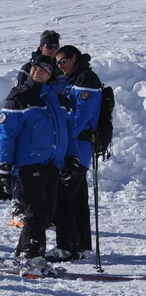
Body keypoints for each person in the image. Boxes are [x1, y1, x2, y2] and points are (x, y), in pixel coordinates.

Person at [0, 55, 79, 265]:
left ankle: (23, 253)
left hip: (52, 162)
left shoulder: (58, 100)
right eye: (34, 68)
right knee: (36, 210)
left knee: (47, 210)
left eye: (43, 69)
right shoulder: (20, 97)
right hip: (29, 161)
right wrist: (3, 166)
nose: (37, 72)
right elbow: (6, 133)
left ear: (51, 74)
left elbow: (67, 133)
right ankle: (33, 258)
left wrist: (71, 158)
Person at [47, 45, 103, 261]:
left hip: (78, 148)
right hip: (78, 148)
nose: (60, 66)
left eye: (63, 61)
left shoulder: (86, 79)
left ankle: (66, 246)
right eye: (58, 63)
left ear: (74, 58)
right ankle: (82, 246)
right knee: (78, 199)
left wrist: (61, 136)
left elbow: (80, 116)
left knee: (62, 198)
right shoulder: (75, 78)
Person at [11, 30, 63, 227]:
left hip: (49, 127)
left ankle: (43, 213)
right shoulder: (30, 67)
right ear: (41, 46)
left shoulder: (56, 69)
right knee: (24, 170)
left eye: (56, 47)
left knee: (45, 176)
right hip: (29, 124)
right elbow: (18, 94)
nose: (52, 50)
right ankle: (18, 209)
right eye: (49, 46)